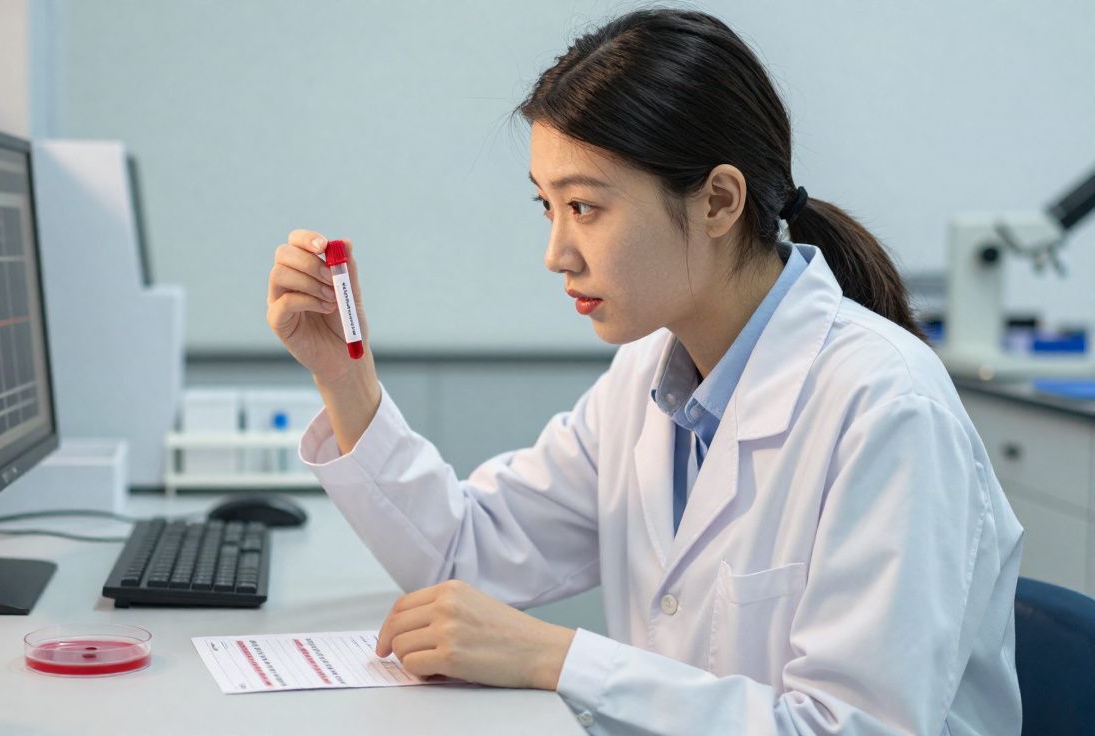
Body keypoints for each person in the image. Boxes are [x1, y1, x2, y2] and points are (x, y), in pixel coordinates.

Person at [264, 8, 1022, 735]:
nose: (556, 253)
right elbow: (466, 555)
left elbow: (855, 729)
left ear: (718, 200)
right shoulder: (649, 383)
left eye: (585, 208)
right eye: (547, 208)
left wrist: (553, 657)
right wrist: (345, 376)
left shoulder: (887, 407)